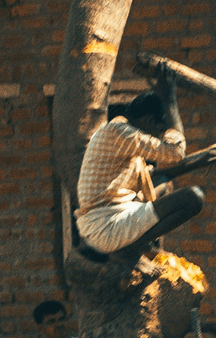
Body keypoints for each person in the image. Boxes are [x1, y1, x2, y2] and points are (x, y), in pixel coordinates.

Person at [73, 67, 203, 257]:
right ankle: (132, 249)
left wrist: (206, 159)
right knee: (194, 197)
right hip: (105, 228)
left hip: (115, 215)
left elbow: (154, 176)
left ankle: (138, 245)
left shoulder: (122, 132)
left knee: (163, 182)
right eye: (159, 130)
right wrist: (170, 100)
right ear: (150, 120)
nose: (158, 137)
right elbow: (176, 152)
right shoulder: (120, 133)